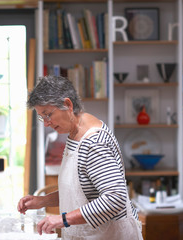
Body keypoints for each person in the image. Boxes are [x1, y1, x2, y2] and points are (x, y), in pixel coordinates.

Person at [17, 75, 143, 240]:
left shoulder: (93, 142)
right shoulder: (75, 133)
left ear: (67, 104)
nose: (46, 123)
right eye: (42, 117)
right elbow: (79, 190)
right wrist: (42, 201)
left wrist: (63, 219)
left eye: (48, 114)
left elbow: (115, 198)